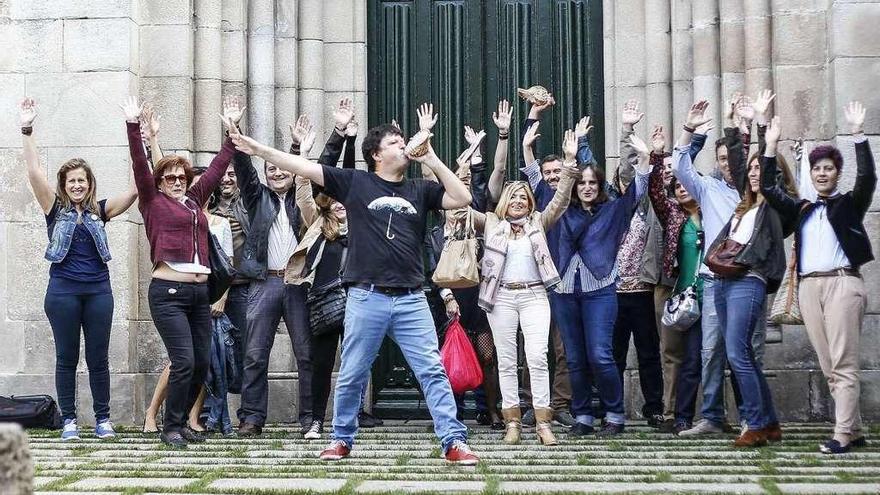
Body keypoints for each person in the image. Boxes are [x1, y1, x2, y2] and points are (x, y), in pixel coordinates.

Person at [228, 104, 480, 465]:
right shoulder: (355, 183)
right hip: (366, 297)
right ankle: (342, 439)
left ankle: (453, 441)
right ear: (377, 154)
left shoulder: (420, 189)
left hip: (411, 299)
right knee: (351, 373)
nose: (403, 144)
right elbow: (302, 168)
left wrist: (432, 157)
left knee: (431, 370)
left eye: (403, 140)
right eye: (396, 142)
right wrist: (257, 149)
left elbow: (462, 198)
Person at [20, 98, 138, 441]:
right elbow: (32, 173)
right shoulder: (53, 209)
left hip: (99, 292)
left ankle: (103, 420)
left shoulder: (101, 211)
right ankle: (69, 419)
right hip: (62, 293)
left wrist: (138, 139)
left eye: (82, 181)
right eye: (71, 181)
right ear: (64, 184)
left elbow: (135, 189)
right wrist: (27, 128)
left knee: (98, 358)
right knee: (67, 357)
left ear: (90, 183)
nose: (77, 186)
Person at [760, 102, 875, 454]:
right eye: (817, 169)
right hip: (809, 285)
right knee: (828, 364)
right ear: (811, 174)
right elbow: (767, 187)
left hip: (842, 283)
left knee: (843, 362)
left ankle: (841, 433)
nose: (822, 173)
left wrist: (858, 136)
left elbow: (868, 179)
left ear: (836, 173)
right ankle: (853, 430)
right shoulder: (803, 208)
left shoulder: (849, 204)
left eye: (828, 168)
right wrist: (770, 145)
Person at [125, 95, 238, 448]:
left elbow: (219, 167)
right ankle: (170, 426)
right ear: (159, 182)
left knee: (201, 362)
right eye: (169, 177)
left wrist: (231, 128)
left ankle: (182, 422)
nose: (176, 180)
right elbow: (140, 167)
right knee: (183, 360)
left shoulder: (193, 201)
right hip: (168, 293)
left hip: (199, 293)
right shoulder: (152, 201)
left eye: (181, 177)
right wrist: (133, 127)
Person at [474, 128, 580, 446]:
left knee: (537, 356)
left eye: (524, 197)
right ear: (505, 202)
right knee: (506, 359)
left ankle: (543, 422)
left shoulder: (538, 222)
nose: (519, 201)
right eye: (514, 197)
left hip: (535, 294)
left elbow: (561, 199)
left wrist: (571, 162)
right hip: (502, 296)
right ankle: (513, 422)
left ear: (530, 203)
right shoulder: (493, 223)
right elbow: (460, 207)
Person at [700, 109, 797, 447]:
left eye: (761, 169)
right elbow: (739, 165)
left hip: (750, 279)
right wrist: (731, 125)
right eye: (751, 169)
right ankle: (769, 422)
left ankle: (753, 423)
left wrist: (764, 137)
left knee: (739, 353)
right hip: (725, 280)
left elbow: (768, 181)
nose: (753, 173)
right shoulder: (745, 205)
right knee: (738, 353)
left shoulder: (776, 207)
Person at [554, 130, 653, 438]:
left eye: (592, 183)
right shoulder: (561, 211)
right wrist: (570, 157)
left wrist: (645, 158)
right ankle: (582, 416)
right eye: (581, 182)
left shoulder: (612, 211)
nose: (586, 187)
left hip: (600, 290)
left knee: (599, 354)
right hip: (564, 292)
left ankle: (614, 413)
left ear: (599, 187)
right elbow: (537, 188)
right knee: (574, 358)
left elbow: (637, 192)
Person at [673, 96, 754, 437]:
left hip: (748, 280)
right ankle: (712, 417)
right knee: (710, 352)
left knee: (746, 352)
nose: (726, 164)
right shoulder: (707, 189)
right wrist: (690, 129)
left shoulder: (755, 192)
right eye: (721, 159)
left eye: (730, 158)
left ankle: (752, 417)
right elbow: (678, 168)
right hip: (712, 280)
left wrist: (744, 126)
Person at [648, 125, 705, 435]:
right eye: (676, 186)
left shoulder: (714, 211)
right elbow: (656, 191)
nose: (681, 188)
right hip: (676, 293)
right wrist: (658, 155)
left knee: (703, 355)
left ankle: (707, 414)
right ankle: (673, 414)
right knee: (673, 354)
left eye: (686, 183)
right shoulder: (673, 215)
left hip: (709, 293)